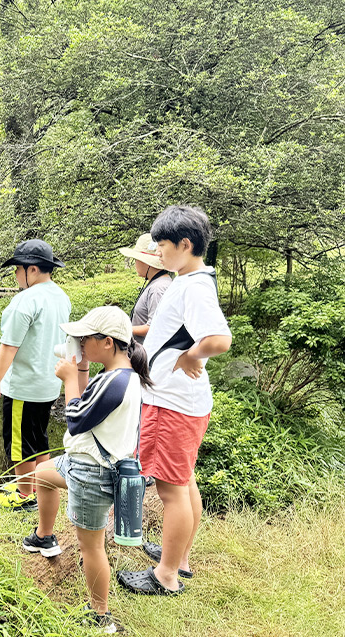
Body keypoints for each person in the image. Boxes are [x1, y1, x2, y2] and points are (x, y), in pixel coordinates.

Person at [116, 205, 232, 596]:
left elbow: (220, 339)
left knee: (171, 491)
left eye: (161, 245)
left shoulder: (195, 286)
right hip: (178, 402)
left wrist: (190, 356)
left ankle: (165, 576)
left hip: (173, 404)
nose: (157, 252)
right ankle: (178, 558)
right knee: (183, 482)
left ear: (185, 245)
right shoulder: (188, 279)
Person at [22, 306, 151, 634]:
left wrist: (67, 378)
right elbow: (87, 403)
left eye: (83, 338)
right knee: (42, 475)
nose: (78, 342)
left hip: (92, 471)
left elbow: (77, 419)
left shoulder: (116, 382)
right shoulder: (121, 375)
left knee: (90, 547)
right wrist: (79, 369)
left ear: (107, 342)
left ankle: (99, 615)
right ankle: (44, 536)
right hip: (82, 461)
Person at [0, 239, 71, 510]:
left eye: (17, 269)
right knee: (38, 436)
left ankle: (24, 496)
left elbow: (9, 346)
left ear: (32, 270)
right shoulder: (61, 296)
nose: (16, 275)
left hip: (23, 387)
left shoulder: (24, 301)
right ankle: (40, 484)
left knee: (20, 443)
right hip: (48, 385)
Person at [119, 233, 173, 344]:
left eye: (136, 259)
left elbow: (154, 327)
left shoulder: (158, 288)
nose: (135, 264)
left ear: (146, 263)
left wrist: (122, 329)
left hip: (146, 354)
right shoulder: (159, 283)